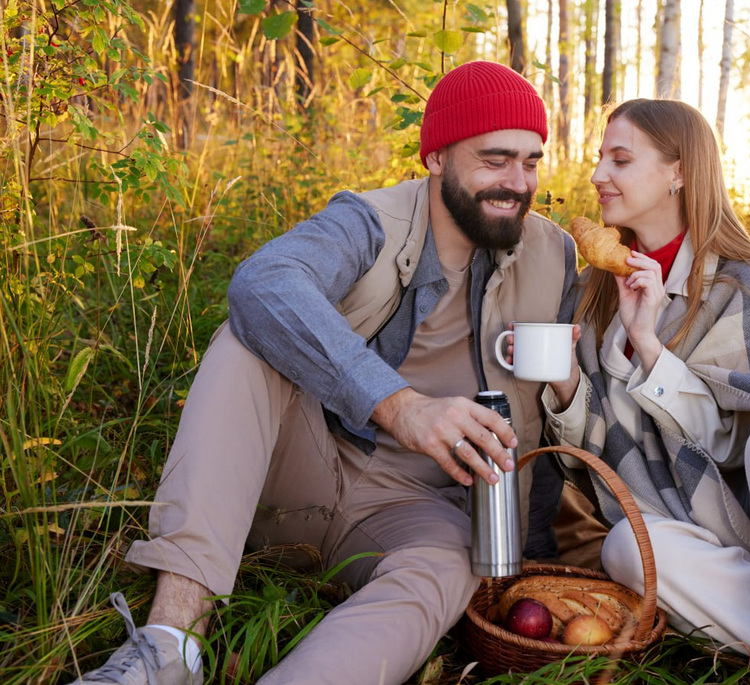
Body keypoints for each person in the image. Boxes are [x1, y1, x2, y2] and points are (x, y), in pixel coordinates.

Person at [70, 60, 578, 685]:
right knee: (248, 340)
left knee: (453, 564)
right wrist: (399, 404)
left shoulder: (555, 256)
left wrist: (533, 555)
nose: (517, 182)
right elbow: (264, 282)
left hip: (417, 511)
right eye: (495, 158)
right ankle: (172, 643)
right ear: (437, 157)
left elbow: (546, 429)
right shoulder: (369, 221)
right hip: (304, 475)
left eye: (531, 161)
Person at [541, 99, 750, 684]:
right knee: (624, 548)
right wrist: (565, 386)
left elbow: (734, 442)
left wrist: (652, 345)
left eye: (620, 158)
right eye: (598, 158)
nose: (596, 175)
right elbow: (588, 458)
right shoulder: (593, 291)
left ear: (679, 171)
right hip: (685, 530)